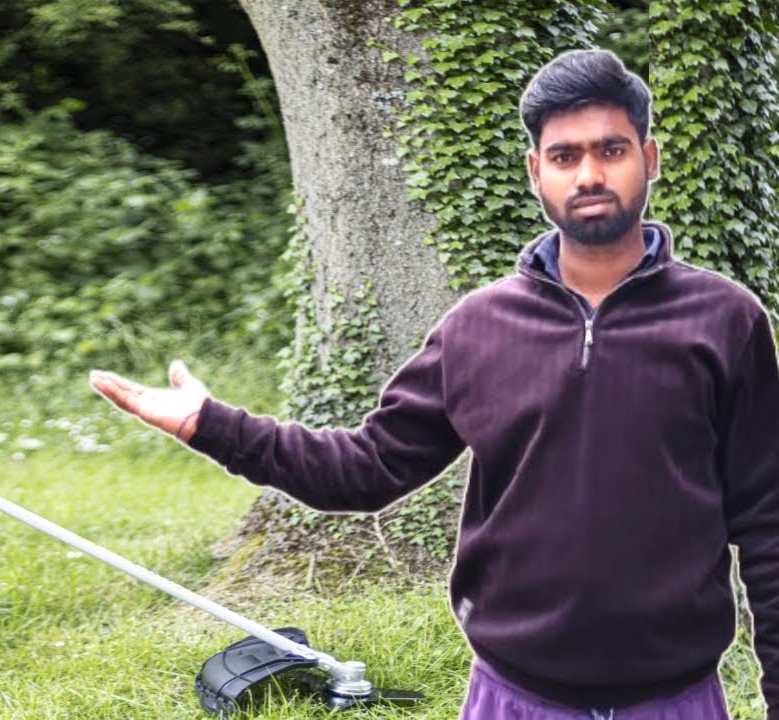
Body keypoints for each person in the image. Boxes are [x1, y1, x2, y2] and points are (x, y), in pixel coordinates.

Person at [91, 49, 779, 719]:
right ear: (536, 173)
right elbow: (364, 469)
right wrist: (212, 424)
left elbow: (768, 521)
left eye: (612, 150)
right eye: (566, 157)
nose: (590, 173)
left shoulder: (724, 320)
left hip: (675, 698)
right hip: (513, 696)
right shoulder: (478, 329)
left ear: (649, 159)